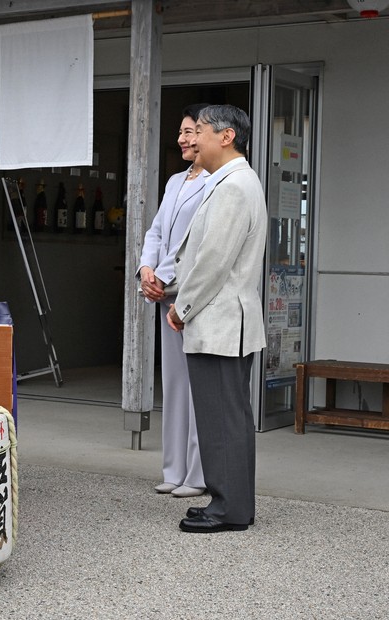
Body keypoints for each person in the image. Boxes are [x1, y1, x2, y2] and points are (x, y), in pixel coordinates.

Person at [167, 104, 267, 533]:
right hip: (228, 319)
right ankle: (234, 503)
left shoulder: (231, 186)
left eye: (201, 131)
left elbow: (212, 261)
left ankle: (228, 509)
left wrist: (180, 306)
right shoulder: (233, 180)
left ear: (226, 136)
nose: (193, 139)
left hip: (220, 320)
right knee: (230, 415)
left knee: (221, 417)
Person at [138, 104, 209, 499]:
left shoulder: (216, 182)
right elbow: (157, 231)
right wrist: (146, 271)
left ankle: (197, 475)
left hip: (192, 294)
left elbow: (192, 245)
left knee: (198, 385)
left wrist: (162, 276)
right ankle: (173, 468)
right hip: (167, 294)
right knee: (175, 384)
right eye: (181, 131)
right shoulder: (175, 181)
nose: (183, 138)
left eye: (190, 131)